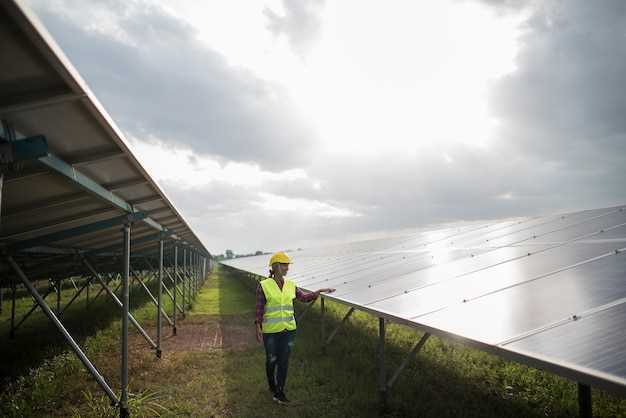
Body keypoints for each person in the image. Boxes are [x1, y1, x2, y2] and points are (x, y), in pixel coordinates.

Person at [255, 251, 335, 404]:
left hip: (289, 331)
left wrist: (318, 291)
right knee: (271, 360)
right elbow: (259, 308)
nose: (287, 268)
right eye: (285, 265)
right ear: (276, 266)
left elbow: (303, 297)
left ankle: (279, 392)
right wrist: (257, 327)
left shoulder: (291, 285)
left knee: (283, 361)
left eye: (287, 265)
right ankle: (272, 385)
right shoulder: (263, 286)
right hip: (271, 332)